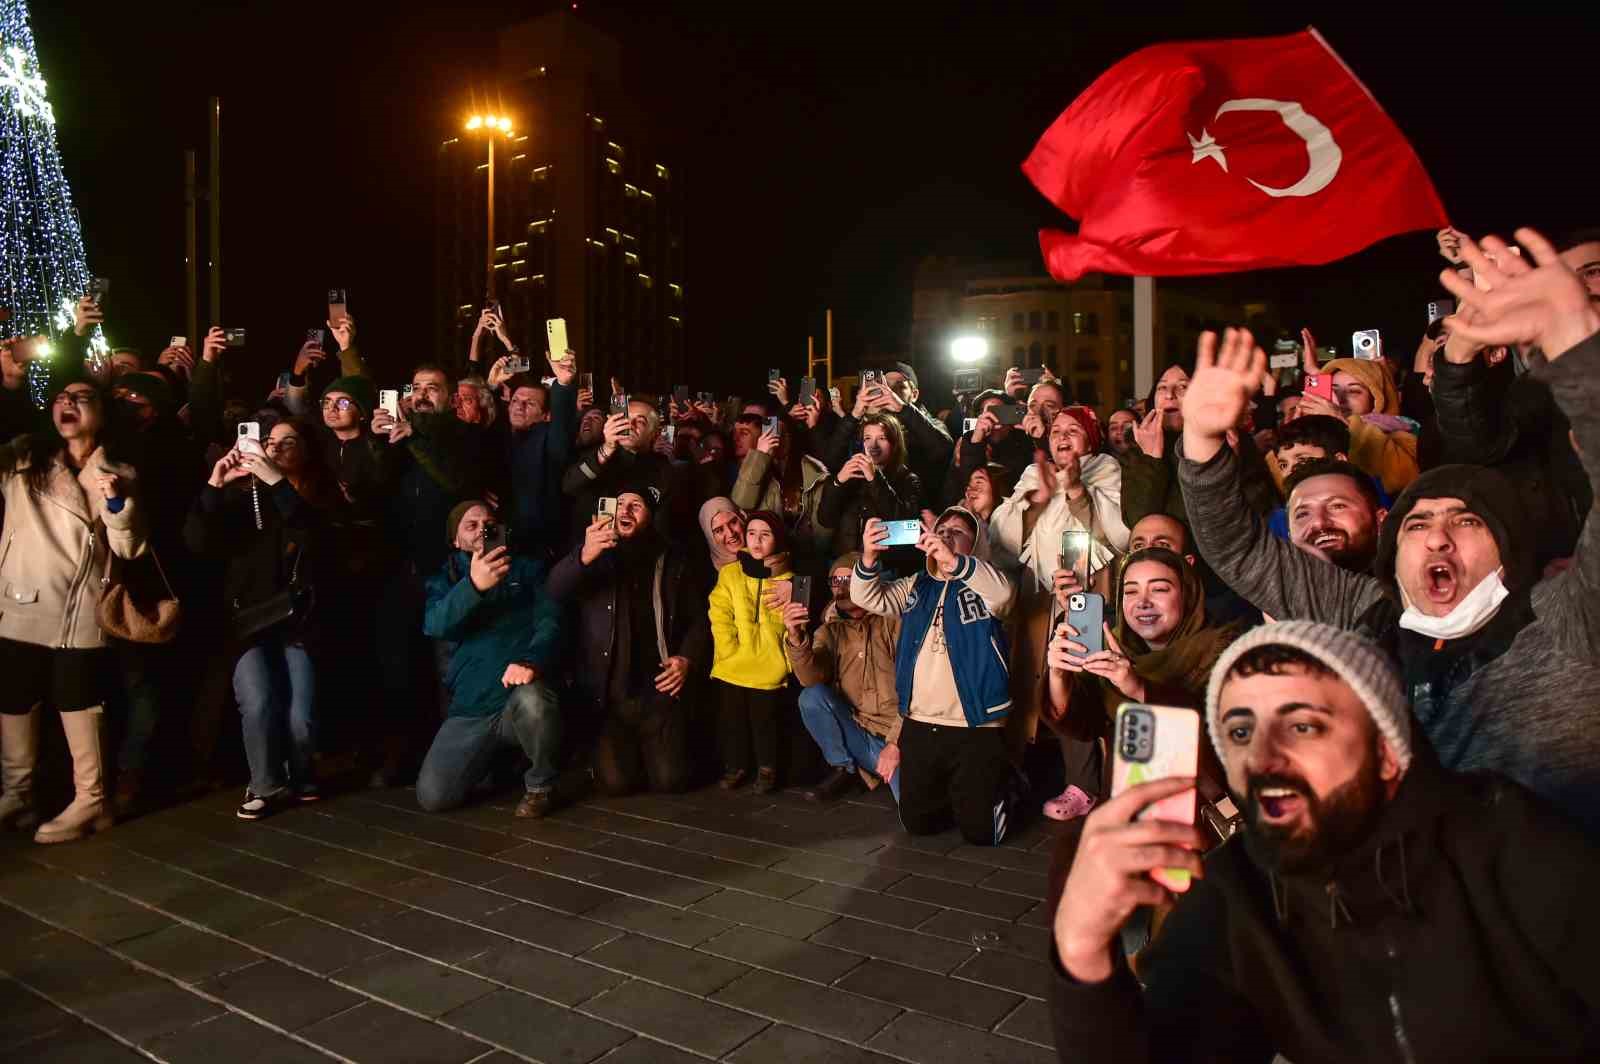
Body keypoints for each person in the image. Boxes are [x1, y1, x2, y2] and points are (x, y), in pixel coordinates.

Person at [1176, 231, 1600, 832]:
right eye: (1418, 523)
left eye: (1467, 520)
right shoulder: (1368, 611)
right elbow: (1239, 550)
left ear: (1508, 550)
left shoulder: (1568, 620)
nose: (1437, 537)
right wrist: (1200, 442)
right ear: (1391, 550)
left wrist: (1574, 347)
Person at [1049, 621, 1600, 1063]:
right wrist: (1081, 951)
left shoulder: (1511, 840)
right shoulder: (1238, 892)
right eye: (1239, 732)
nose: (1262, 758)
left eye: (1304, 726)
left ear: (1388, 752)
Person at [0, 371, 144, 843]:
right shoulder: (24, 458)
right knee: (15, 697)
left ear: (101, 414)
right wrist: (9, 385)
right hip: (22, 598)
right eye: (62, 397)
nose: (69, 404)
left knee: (76, 699)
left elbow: (128, 549)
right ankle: (16, 793)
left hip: (79, 607)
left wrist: (118, 506)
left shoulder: (117, 472)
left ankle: (91, 799)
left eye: (82, 398)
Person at [185, 418, 336, 820]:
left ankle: (303, 772)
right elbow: (197, 542)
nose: (277, 448)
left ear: (307, 448)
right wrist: (216, 483)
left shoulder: (317, 493)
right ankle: (266, 783)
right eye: (270, 442)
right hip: (247, 620)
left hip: (298, 618)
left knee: (300, 714)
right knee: (258, 700)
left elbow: (315, 537)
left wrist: (277, 483)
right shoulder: (242, 496)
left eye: (289, 441)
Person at [990, 406, 1129, 812]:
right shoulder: (1035, 474)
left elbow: (1119, 531)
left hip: (1088, 591)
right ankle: (1021, 775)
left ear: (1091, 437)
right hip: (1040, 595)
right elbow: (1003, 538)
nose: (1062, 436)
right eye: (1056, 431)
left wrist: (1075, 490)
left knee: (1078, 677)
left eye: (1074, 430)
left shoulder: (1106, 469)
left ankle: (1084, 786)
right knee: (1032, 678)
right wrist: (1035, 501)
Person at [852, 508, 1017, 845]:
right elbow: (866, 597)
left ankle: (1009, 785)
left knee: (983, 835)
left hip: (975, 724)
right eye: (942, 528)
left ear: (975, 546)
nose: (946, 534)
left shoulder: (990, 582)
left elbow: (1004, 596)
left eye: (958, 531)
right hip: (920, 721)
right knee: (918, 823)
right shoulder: (918, 584)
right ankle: (962, 794)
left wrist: (955, 563)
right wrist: (868, 557)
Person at [1045, 547, 1240, 815]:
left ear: (1188, 595)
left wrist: (1138, 689)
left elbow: (1221, 746)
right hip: (1129, 811)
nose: (1143, 602)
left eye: (1159, 589)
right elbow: (1083, 726)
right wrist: (1059, 675)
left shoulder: (1224, 651)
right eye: (1131, 591)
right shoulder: (1113, 649)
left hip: (1201, 814)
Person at [547, 484, 710, 796]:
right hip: (609, 699)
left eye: (636, 506)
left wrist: (687, 659)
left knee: (671, 781)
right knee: (617, 784)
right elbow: (554, 591)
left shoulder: (673, 558)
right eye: (619, 504)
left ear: (650, 516)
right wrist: (584, 555)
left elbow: (700, 619)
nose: (625, 511)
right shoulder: (592, 552)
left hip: (659, 692)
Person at [417, 501, 562, 817]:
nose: (482, 529)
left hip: (516, 698)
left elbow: (549, 620)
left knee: (535, 701)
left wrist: (531, 661)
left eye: (489, 523)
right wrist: (474, 586)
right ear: (455, 541)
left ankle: (540, 786)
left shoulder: (527, 569)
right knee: (433, 797)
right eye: (471, 525)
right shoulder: (444, 579)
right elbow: (435, 624)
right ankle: (498, 764)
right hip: (473, 707)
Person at [784, 553, 903, 802]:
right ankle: (846, 769)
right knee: (812, 697)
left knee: (916, 813)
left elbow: (918, 689)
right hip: (860, 733)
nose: (842, 587)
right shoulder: (831, 629)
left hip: (900, 738)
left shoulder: (894, 621)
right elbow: (811, 679)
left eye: (849, 579)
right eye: (836, 581)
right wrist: (796, 638)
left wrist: (895, 744)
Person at [708, 510, 795, 793]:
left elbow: (793, 621)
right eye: (752, 534)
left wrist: (783, 656)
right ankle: (736, 765)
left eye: (765, 535)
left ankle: (767, 767)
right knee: (733, 718)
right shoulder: (731, 573)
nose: (756, 541)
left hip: (770, 662)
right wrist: (729, 649)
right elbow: (719, 613)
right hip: (734, 660)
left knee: (764, 720)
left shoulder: (789, 578)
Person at [1293, 350, 1419, 496]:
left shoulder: (1404, 434)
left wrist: (1343, 422)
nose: (1340, 400)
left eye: (1354, 391)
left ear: (1376, 399)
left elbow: (1399, 480)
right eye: (1333, 390)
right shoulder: (1312, 431)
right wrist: (1299, 435)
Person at [493, 352, 579, 559]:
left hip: (535, 552)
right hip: (495, 543)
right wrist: (492, 386)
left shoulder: (546, 438)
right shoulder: (498, 436)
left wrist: (564, 385)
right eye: (515, 400)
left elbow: (561, 431)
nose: (519, 406)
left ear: (546, 415)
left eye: (530, 403)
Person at [816, 413, 923, 557]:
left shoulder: (909, 480)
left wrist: (874, 478)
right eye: (867, 438)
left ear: (895, 443)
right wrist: (838, 482)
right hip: (845, 562)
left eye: (882, 438)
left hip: (885, 568)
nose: (873, 445)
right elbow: (825, 520)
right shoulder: (852, 475)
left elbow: (906, 529)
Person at [731, 416, 831, 561]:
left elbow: (821, 534)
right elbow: (742, 501)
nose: (775, 439)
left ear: (792, 437)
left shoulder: (812, 471)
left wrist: (812, 561)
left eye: (780, 433)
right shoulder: (756, 466)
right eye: (770, 432)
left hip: (803, 556)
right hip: (766, 555)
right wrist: (760, 455)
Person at [948, 391, 1032, 502]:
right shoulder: (967, 444)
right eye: (984, 413)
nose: (991, 418)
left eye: (999, 412)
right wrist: (974, 445)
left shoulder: (1025, 443)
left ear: (1011, 416)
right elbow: (953, 495)